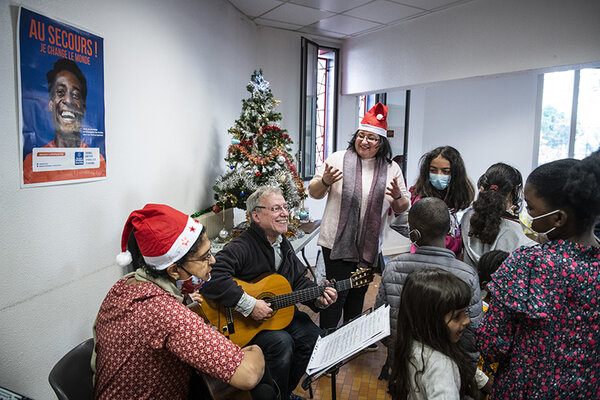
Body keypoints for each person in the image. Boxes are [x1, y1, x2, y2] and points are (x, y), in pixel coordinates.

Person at [93, 204, 272, 399]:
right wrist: (256, 350)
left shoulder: (124, 286)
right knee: (262, 389)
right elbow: (247, 375)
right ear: (173, 270)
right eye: (204, 257)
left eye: (210, 252)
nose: (212, 261)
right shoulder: (164, 311)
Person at [477, 149, 600, 399]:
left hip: (525, 388)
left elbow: (491, 344)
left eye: (531, 209)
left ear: (558, 218)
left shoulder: (528, 264)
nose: (528, 216)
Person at [201, 186, 338, 400]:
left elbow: (299, 281)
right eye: (276, 208)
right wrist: (249, 305)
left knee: (313, 338)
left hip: (275, 318)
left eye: (285, 207)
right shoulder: (241, 246)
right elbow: (213, 278)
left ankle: (281, 395)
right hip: (243, 324)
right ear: (256, 215)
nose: (285, 213)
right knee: (282, 343)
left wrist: (319, 298)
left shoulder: (283, 245)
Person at [308, 102, 410, 332]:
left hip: (369, 245)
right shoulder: (337, 159)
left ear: (381, 142)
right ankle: (326, 340)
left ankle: (349, 341)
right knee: (336, 295)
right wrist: (324, 181)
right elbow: (314, 193)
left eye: (371, 138)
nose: (364, 141)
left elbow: (403, 206)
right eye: (361, 135)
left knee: (358, 293)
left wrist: (396, 197)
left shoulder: (391, 168)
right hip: (335, 242)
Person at [375, 197, 483, 376]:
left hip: (402, 363)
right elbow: (472, 333)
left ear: (413, 234)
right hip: (448, 369)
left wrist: (396, 349)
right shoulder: (467, 274)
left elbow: (381, 321)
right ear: (449, 229)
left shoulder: (393, 268)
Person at [388, 269, 479, 399]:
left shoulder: (410, 344)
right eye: (457, 316)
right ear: (431, 321)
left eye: (466, 312)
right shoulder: (441, 366)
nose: (467, 320)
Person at [23, 58, 106, 184]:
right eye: (61, 92)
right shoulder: (31, 165)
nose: (68, 100)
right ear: (51, 104)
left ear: (83, 109)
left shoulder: (98, 162)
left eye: (76, 95)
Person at [461, 163, 535, 267]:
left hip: (468, 280)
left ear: (483, 188)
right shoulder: (514, 230)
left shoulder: (467, 218)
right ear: (512, 193)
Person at [409, 146, 475, 257]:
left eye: (445, 171)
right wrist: (459, 243)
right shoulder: (422, 200)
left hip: (453, 256)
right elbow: (429, 238)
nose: (439, 175)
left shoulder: (461, 197)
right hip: (427, 255)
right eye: (433, 170)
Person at [475, 250, 509, 399]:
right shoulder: (477, 313)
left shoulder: (511, 313)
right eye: (506, 281)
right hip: (480, 385)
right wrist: (482, 380)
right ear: (487, 286)